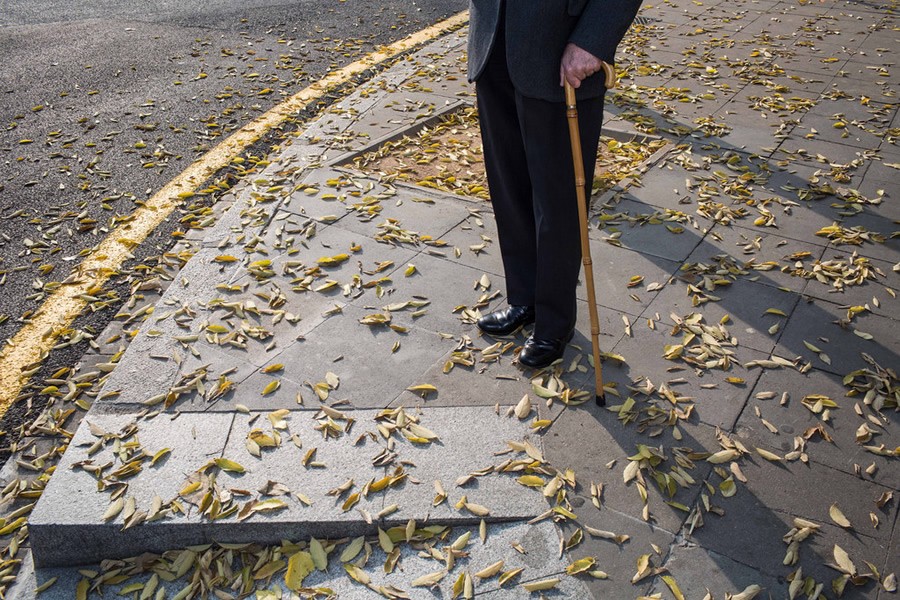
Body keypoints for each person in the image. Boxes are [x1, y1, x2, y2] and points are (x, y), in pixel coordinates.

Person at [468, 0, 642, 368]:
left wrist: (593, 40)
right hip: (492, 39)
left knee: (558, 199)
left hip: (561, 45)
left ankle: (554, 322)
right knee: (508, 184)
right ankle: (525, 299)